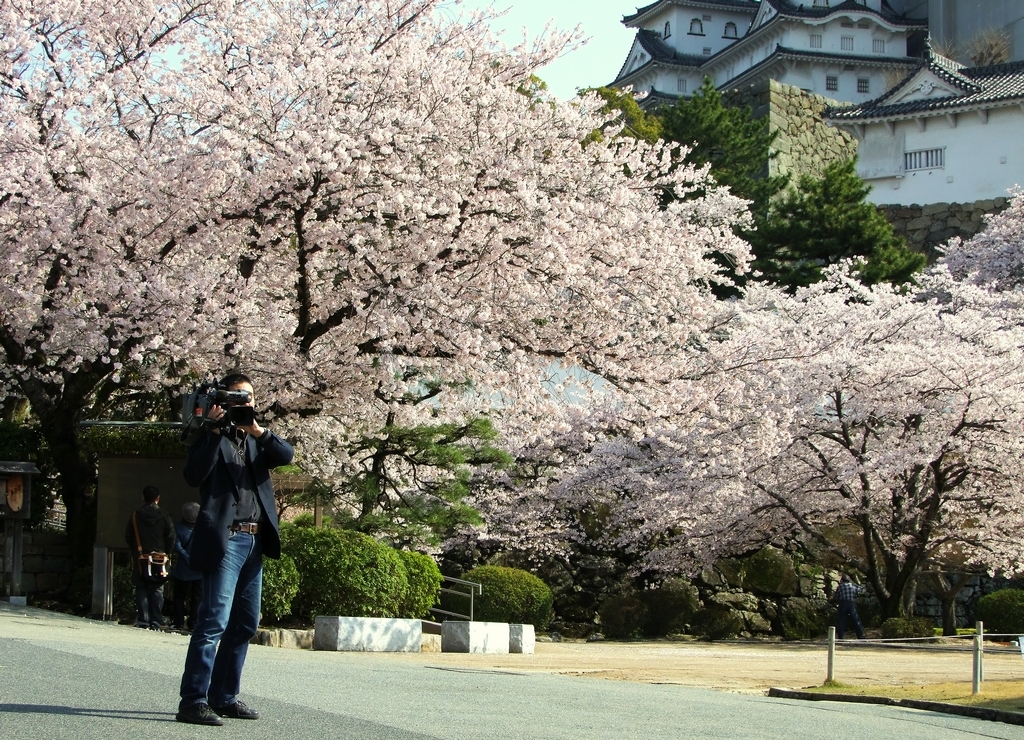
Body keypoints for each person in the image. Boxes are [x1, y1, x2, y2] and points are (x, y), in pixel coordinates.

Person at [176, 372, 294, 726]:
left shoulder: (257, 438)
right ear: (223, 400)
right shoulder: (207, 434)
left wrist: (256, 429)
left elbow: (286, 454)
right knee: (213, 621)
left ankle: (224, 695)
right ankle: (193, 700)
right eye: (237, 397)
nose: (244, 403)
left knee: (245, 623)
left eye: (250, 397)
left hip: (255, 539)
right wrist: (211, 431)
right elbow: (194, 475)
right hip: (225, 540)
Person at [124, 485, 175, 630]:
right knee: (157, 588)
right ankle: (156, 620)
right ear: (157, 498)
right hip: (160, 557)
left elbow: (128, 536)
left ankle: (143, 620)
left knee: (141, 587)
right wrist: (167, 553)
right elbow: (171, 537)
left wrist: (136, 550)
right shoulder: (165, 517)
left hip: (141, 556)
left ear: (143, 497)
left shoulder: (135, 516)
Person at [171, 502, 203, 631]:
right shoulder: (203, 529)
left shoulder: (178, 528)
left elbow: (177, 546)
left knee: (179, 596)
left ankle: (178, 622)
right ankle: (194, 623)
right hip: (199, 568)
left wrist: (187, 558)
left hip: (183, 568)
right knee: (198, 598)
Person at [832, 574, 867, 640]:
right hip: (851, 603)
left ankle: (841, 637)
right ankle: (861, 636)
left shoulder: (840, 587)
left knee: (841, 620)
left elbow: (836, 597)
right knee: (855, 620)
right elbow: (860, 589)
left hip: (842, 603)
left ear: (842, 580)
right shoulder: (853, 586)